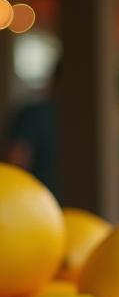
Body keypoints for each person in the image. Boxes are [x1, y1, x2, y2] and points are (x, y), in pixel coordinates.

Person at [3, 56, 60, 196]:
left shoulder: (33, 114)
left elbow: (16, 160)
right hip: (56, 203)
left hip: (35, 202)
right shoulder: (36, 114)